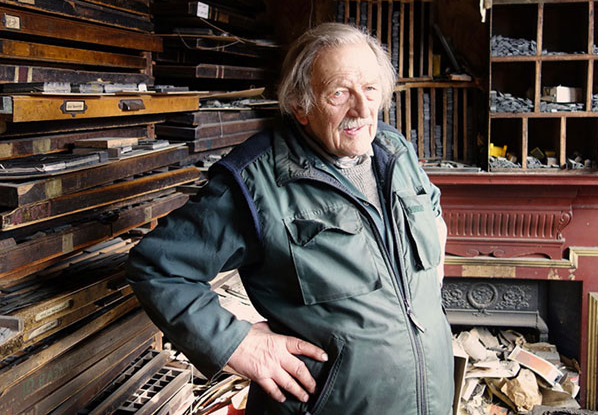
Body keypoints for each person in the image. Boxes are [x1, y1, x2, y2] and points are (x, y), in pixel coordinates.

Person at [126, 22, 454, 414]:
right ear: (301, 105)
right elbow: (158, 267)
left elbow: (430, 208)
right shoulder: (256, 181)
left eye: (370, 89)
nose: (363, 110)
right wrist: (237, 344)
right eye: (339, 93)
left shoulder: (394, 150)